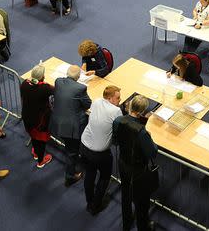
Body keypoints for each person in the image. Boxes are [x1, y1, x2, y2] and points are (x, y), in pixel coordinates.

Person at [112, 94, 158, 231]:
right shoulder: (142, 132)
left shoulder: (118, 120)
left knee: (126, 194)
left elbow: (115, 140)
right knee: (141, 201)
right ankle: (142, 227)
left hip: (122, 162)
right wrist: (150, 138)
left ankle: (126, 222)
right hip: (138, 170)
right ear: (143, 112)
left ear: (130, 106)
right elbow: (152, 153)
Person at [81, 85, 122, 215]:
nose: (119, 100)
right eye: (117, 98)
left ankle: (89, 201)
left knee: (90, 173)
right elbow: (119, 127)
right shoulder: (116, 111)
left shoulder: (97, 101)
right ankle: (96, 205)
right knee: (104, 177)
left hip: (85, 145)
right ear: (110, 98)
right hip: (100, 153)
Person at [50, 64, 92, 186]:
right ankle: (70, 176)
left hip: (58, 122)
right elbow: (88, 104)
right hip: (71, 127)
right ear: (79, 76)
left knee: (70, 148)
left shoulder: (58, 81)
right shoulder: (81, 88)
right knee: (72, 152)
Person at [21, 64, 55, 168]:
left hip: (27, 115)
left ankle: (36, 152)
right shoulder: (44, 88)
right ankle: (41, 161)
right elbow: (54, 89)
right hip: (40, 120)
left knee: (33, 135)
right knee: (41, 140)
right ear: (42, 76)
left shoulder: (24, 83)